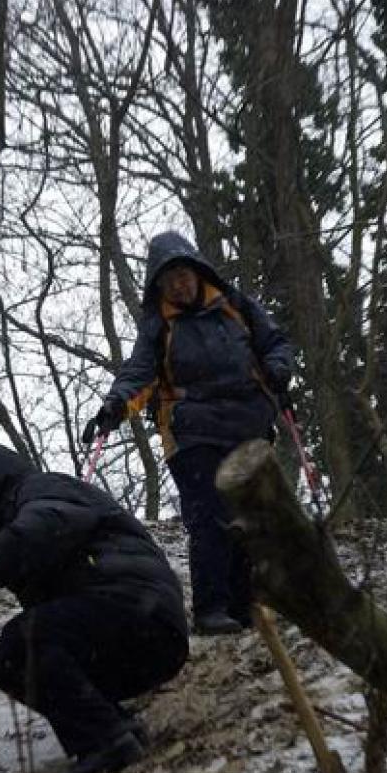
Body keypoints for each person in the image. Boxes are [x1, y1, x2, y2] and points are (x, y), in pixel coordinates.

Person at [0, 444, 189, 773]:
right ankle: (115, 728)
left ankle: (105, 741)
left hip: (138, 610)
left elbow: (32, 535)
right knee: (9, 659)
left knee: (22, 643)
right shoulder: (25, 514)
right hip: (141, 635)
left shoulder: (40, 489)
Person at [83, 231, 294, 636]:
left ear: (197, 272)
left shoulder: (234, 305)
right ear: (158, 286)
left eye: (182, 274)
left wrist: (279, 368)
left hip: (249, 422)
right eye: (168, 280)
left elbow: (275, 342)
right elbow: (139, 373)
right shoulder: (158, 325)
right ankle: (211, 607)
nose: (178, 285)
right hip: (193, 429)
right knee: (210, 515)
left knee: (254, 515)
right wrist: (115, 405)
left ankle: (246, 602)